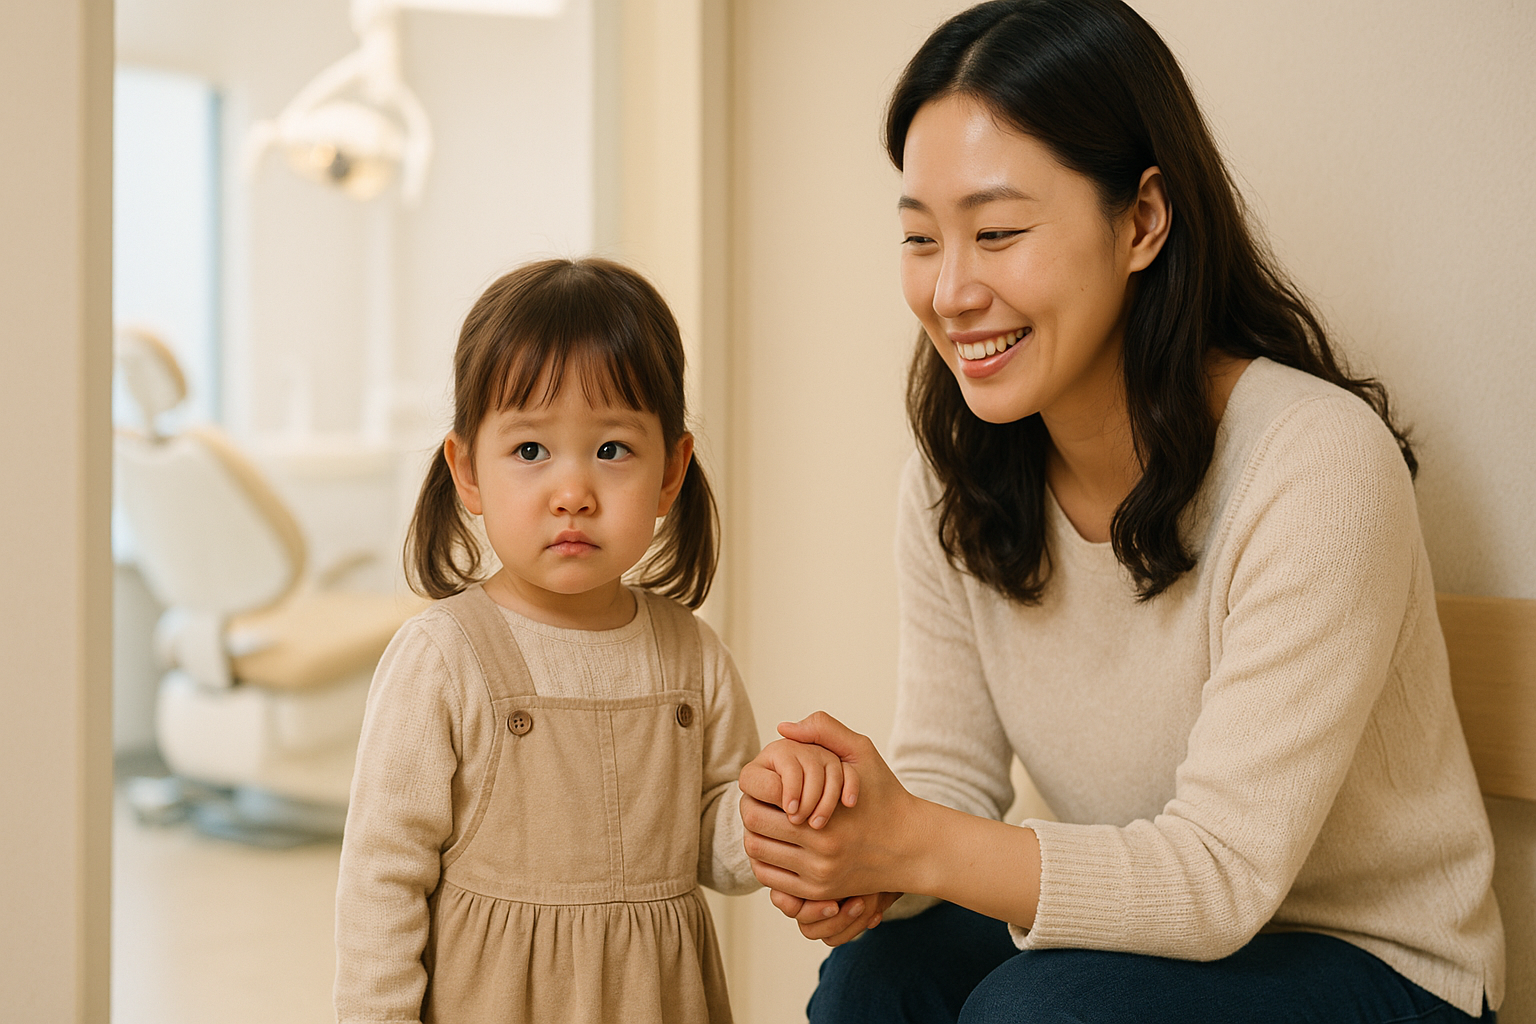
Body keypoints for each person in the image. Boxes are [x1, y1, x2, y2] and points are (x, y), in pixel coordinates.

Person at [736, 2, 1505, 1021]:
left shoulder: (1315, 462)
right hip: (1150, 940)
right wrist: (858, 846)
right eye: (921, 237)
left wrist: (913, 842)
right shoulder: (954, 476)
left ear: (1142, 220)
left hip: (1377, 966)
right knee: (879, 974)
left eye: (997, 232)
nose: (951, 290)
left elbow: (1221, 876)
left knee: (1038, 1010)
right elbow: (950, 781)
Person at [333, 257, 855, 1024]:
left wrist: (777, 805)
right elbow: (382, 876)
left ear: (671, 472)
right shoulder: (442, 659)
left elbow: (715, 845)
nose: (573, 493)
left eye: (611, 450)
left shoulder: (692, 656)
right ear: (467, 472)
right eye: (530, 451)